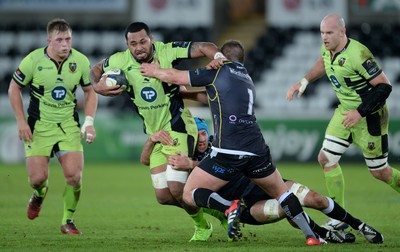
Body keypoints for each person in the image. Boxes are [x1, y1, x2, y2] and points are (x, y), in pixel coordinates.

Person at [141, 40, 325, 246]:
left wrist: (154, 71)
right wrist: (187, 93)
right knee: (282, 193)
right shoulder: (246, 77)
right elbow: (210, 96)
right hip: (255, 148)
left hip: (228, 149)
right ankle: (312, 236)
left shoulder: (218, 71)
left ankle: (228, 207)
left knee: (189, 193)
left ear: (221, 57)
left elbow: (175, 76)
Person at [142, 117, 383, 244]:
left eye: (203, 132)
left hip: (264, 182)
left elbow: (233, 166)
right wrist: (153, 140)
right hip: (249, 205)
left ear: (208, 132)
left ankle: (359, 225)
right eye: (197, 134)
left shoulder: (221, 145)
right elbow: (147, 162)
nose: (202, 138)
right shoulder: (183, 157)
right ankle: (321, 233)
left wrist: (192, 164)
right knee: (285, 210)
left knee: (316, 199)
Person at [90, 22, 225, 242]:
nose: (139, 47)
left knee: (176, 187)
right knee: (163, 196)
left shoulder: (167, 51)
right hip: (156, 134)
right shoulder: (119, 61)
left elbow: (203, 46)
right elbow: (95, 69)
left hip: (179, 126)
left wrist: (218, 56)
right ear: (127, 45)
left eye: (143, 41)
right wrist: (96, 86)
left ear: (150, 39)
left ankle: (203, 226)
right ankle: (218, 211)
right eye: (133, 44)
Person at [286, 14, 400, 230]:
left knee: (380, 172)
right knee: (325, 158)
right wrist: (304, 80)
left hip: (370, 116)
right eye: (322, 33)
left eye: (329, 33)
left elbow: (385, 87)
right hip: (344, 112)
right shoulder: (327, 49)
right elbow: (323, 62)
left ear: (342, 32)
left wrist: (360, 112)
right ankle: (339, 219)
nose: (324, 37)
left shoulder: (358, 54)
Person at [8, 18, 97, 235]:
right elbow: (13, 88)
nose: (65, 44)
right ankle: (39, 195)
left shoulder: (81, 61)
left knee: (74, 176)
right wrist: (21, 121)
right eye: (59, 40)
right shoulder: (33, 60)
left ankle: (68, 220)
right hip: (39, 126)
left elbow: (90, 91)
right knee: (37, 179)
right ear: (49, 40)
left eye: (68, 39)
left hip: (67, 125)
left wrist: (89, 122)